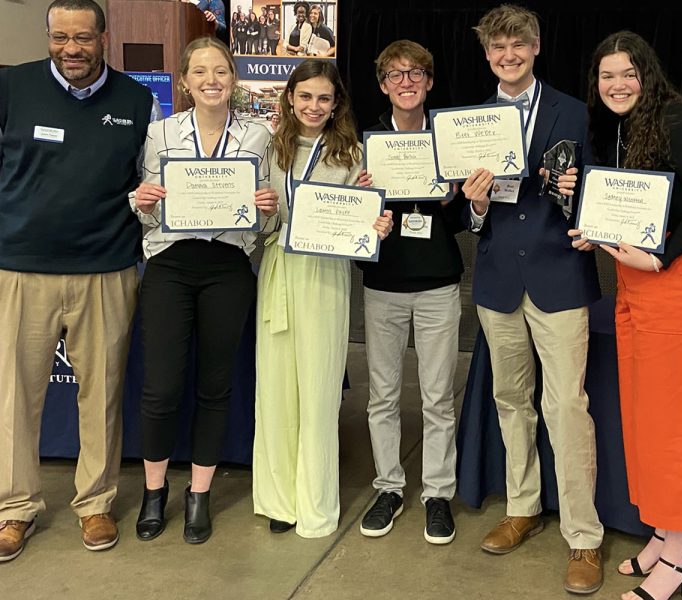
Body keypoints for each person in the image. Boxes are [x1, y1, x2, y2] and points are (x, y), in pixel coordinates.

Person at [0, 0, 160, 562]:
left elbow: (146, 181)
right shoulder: (6, 90)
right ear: (48, 36)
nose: (70, 48)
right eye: (59, 37)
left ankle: (95, 503)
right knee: (15, 397)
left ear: (103, 36)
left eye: (82, 37)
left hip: (106, 270)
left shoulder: (136, 101)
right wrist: (23, 222)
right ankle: (14, 510)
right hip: (19, 272)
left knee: (100, 395)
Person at [567, 30, 682, 600]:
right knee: (642, 414)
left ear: (647, 75)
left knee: (668, 420)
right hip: (634, 281)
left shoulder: (676, 120)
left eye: (627, 74)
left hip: (680, 278)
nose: (616, 85)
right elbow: (629, 206)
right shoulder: (615, 129)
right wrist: (597, 231)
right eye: (606, 76)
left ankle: (681, 558)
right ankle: (663, 532)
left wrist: (660, 254)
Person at [462, 4, 604, 594]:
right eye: (498, 47)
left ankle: (584, 536)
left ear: (537, 46)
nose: (508, 55)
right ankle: (523, 507)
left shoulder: (573, 110)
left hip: (559, 277)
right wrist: (473, 203)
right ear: (488, 53)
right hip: (498, 280)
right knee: (510, 399)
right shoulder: (471, 120)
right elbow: (470, 213)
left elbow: (594, 190)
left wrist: (579, 195)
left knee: (567, 407)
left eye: (518, 44)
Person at [129, 36, 278, 545]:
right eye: (200, 72)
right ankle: (154, 492)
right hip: (169, 265)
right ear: (185, 81)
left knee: (215, 385)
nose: (211, 80)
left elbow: (266, 216)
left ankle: (199, 494)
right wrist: (142, 198)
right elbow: (148, 208)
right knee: (162, 386)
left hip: (228, 267)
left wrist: (267, 208)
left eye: (221, 71)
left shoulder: (258, 136)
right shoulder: (160, 132)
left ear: (233, 79)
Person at [252, 59, 393, 538]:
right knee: (275, 388)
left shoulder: (353, 154)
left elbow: (361, 223)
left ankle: (315, 503)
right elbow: (258, 225)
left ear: (337, 105)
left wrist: (375, 224)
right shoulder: (270, 149)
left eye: (324, 98)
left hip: (327, 275)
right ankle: (278, 500)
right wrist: (261, 212)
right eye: (306, 96)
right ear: (290, 98)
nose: (314, 106)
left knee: (318, 388)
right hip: (278, 270)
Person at [356, 40, 465, 545]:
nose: (406, 82)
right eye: (395, 75)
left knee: (439, 397)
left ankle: (438, 494)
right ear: (383, 85)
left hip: (439, 285)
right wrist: (363, 211)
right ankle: (389, 487)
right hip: (383, 287)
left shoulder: (451, 140)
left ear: (429, 82)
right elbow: (352, 228)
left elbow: (469, 220)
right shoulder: (365, 146)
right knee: (382, 396)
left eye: (415, 73)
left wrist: (459, 198)